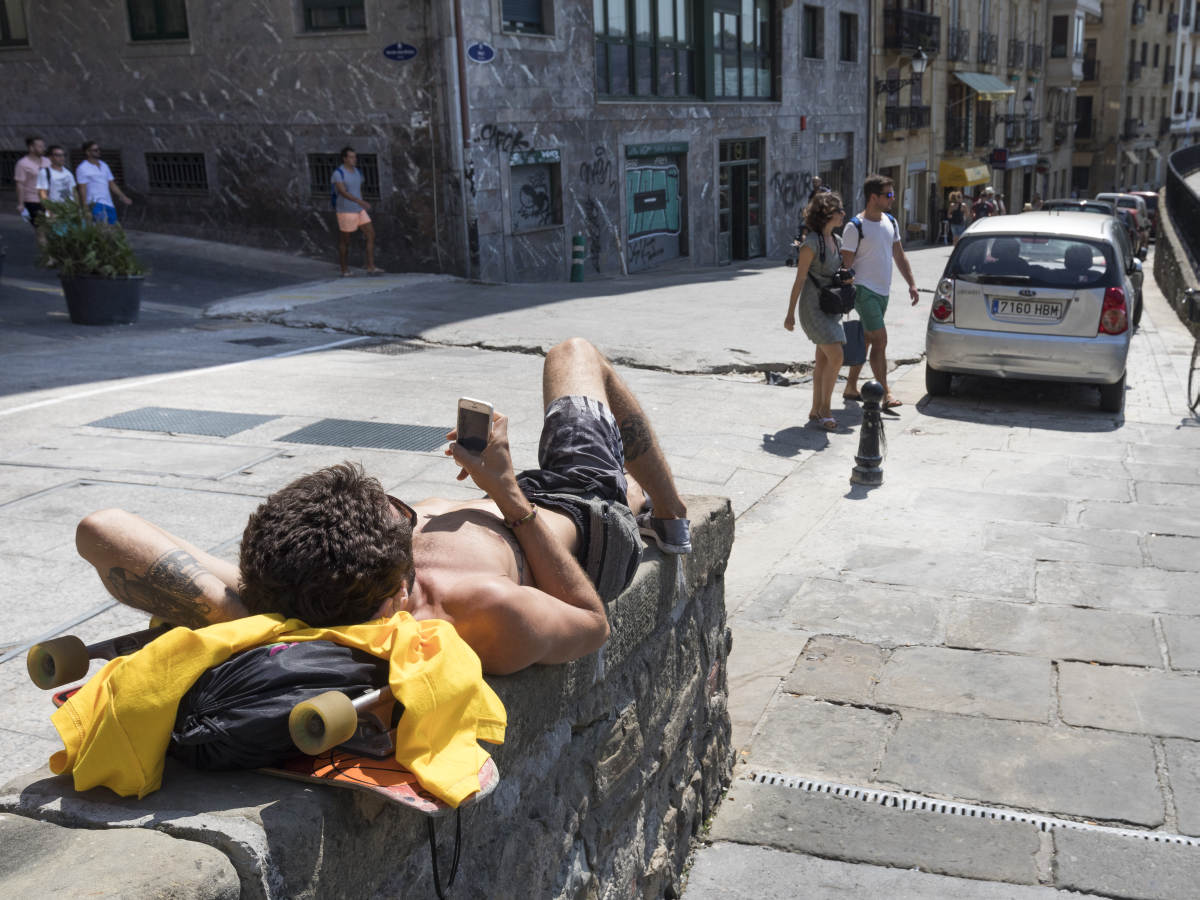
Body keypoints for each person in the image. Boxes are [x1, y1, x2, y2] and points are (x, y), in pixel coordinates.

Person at [74, 338, 690, 676]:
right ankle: (667, 510)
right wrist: (507, 495)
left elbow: (101, 528)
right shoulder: (481, 609)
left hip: (509, 496)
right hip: (579, 512)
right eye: (403, 519)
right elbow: (592, 625)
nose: (407, 516)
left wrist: (229, 610)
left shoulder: (303, 585)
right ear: (401, 582)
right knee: (573, 353)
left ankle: (641, 498)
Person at [839, 173, 920, 411]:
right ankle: (886, 393)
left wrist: (912, 283)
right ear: (873, 197)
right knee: (881, 340)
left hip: (883, 291)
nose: (892, 199)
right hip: (863, 290)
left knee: (866, 340)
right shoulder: (855, 227)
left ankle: (851, 386)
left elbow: (899, 254)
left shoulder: (890, 222)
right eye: (889, 195)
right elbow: (846, 265)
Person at [783, 191, 849, 431]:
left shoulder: (837, 241)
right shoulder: (810, 244)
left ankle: (815, 409)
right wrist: (790, 314)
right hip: (812, 308)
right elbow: (799, 280)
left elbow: (834, 274)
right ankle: (825, 409)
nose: (843, 214)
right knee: (837, 356)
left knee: (823, 360)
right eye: (839, 211)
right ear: (826, 214)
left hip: (830, 306)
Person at [331, 146, 382, 276]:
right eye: (351, 157)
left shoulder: (358, 172)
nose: (355, 159)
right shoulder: (338, 173)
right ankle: (344, 269)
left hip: (359, 209)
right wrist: (360, 201)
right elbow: (343, 192)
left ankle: (370, 266)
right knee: (345, 241)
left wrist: (361, 202)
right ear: (345, 159)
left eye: (355, 156)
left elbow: (358, 189)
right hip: (346, 210)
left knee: (371, 234)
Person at [75, 141, 132, 224]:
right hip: (95, 203)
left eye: (99, 149)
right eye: (95, 150)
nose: (98, 152)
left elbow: (111, 183)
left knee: (112, 229)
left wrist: (123, 196)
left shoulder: (104, 165)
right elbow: (82, 188)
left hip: (108, 203)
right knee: (101, 229)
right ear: (87, 152)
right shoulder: (82, 168)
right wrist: (85, 207)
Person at [13, 135, 49, 231]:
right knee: (41, 229)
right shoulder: (23, 164)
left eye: (43, 146)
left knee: (50, 228)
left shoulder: (47, 161)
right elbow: (20, 184)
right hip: (33, 200)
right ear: (31, 148)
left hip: (48, 199)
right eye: (40, 146)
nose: (43, 149)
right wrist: (21, 203)